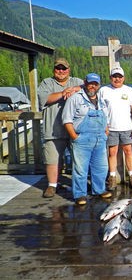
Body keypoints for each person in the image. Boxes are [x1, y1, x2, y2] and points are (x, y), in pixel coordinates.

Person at [62, 73, 112, 205]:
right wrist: (75, 137)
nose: (92, 86)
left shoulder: (102, 101)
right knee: (80, 169)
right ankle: (80, 194)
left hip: (100, 139)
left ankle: (99, 190)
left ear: (99, 85)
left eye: (95, 84)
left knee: (101, 168)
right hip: (82, 139)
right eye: (90, 83)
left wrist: (106, 131)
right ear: (85, 82)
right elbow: (67, 120)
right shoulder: (75, 98)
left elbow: (106, 118)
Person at [38, 58, 83, 198]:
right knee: (52, 159)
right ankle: (52, 185)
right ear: (54, 70)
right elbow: (44, 99)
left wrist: (75, 89)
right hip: (53, 129)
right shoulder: (47, 82)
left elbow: (90, 88)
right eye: (58, 68)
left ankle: (79, 184)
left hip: (74, 129)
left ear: (69, 70)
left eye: (64, 68)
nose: (61, 71)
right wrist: (64, 93)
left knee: (80, 158)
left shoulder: (76, 81)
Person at [98, 66, 132, 190]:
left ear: (124, 78)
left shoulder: (129, 90)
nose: (117, 79)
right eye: (114, 76)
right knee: (112, 153)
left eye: (119, 77)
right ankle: (112, 177)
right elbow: (100, 109)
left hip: (126, 127)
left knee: (128, 151)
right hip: (110, 128)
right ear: (110, 77)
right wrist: (103, 125)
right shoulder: (103, 90)